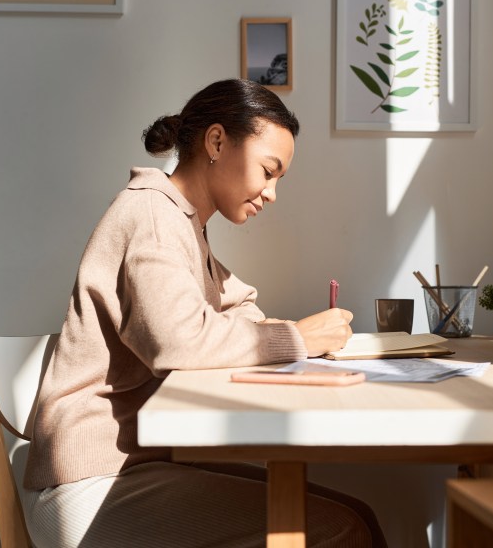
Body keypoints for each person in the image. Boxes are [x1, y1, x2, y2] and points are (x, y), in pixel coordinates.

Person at [22, 78, 388, 547]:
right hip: (87, 483)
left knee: (357, 515)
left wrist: (285, 332)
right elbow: (176, 341)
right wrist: (297, 338)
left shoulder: (183, 223)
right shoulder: (153, 215)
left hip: (131, 464)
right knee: (343, 530)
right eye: (268, 170)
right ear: (217, 142)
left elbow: (240, 306)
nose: (272, 193)